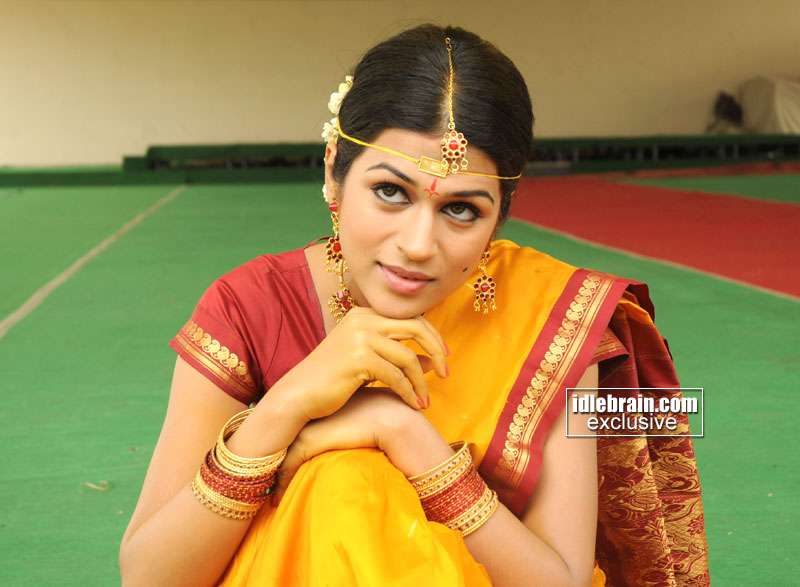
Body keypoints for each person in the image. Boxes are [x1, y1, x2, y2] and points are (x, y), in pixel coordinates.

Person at [120, 24, 709, 586]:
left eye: (461, 209)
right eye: (390, 192)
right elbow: (148, 576)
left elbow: (561, 581)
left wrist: (401, 432)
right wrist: (284, 409)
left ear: (499, 218)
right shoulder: (250, 307)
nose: (419, 245)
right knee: (341, 483)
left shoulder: (556, 319)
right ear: (333, 173)